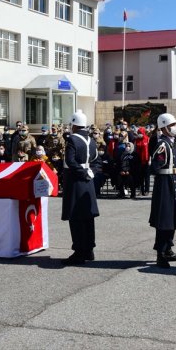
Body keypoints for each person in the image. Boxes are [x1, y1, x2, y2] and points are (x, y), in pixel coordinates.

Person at [61, 110, 99, 265]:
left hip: (76, 181)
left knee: (76, 218)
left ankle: (79, 252)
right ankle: (89, 250)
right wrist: (91, 173)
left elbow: (70, 161)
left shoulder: (72, 140)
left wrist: (82, 173)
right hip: (88, 181)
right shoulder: (92, 140)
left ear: (74, 125)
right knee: (88, 218)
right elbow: (97, 161)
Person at [149, 113, 176, 268]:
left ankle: (168, 248)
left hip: (173, 182)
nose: (175, 127)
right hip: (165, 183)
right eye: (172, 125)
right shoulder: (162, 144)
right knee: (164, 220)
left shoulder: (172, 142)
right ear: (164, 128)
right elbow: (156, 166)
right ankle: (161, 253)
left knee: (173, 217)